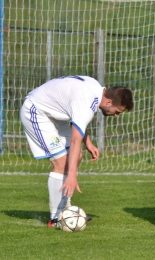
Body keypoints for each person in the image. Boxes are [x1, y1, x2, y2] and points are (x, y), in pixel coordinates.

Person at [20, 75, 134, 226]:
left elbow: (77, 119)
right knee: (61, 163)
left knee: (77, 156)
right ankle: (55, 218)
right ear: (109, 102)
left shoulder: (95, 88)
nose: (116, 115)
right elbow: (75, 139)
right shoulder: (86, 102)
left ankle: (65, 210)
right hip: (36, 111)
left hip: (54, 115)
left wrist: (88, 142)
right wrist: (72, 175)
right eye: (117, 111)